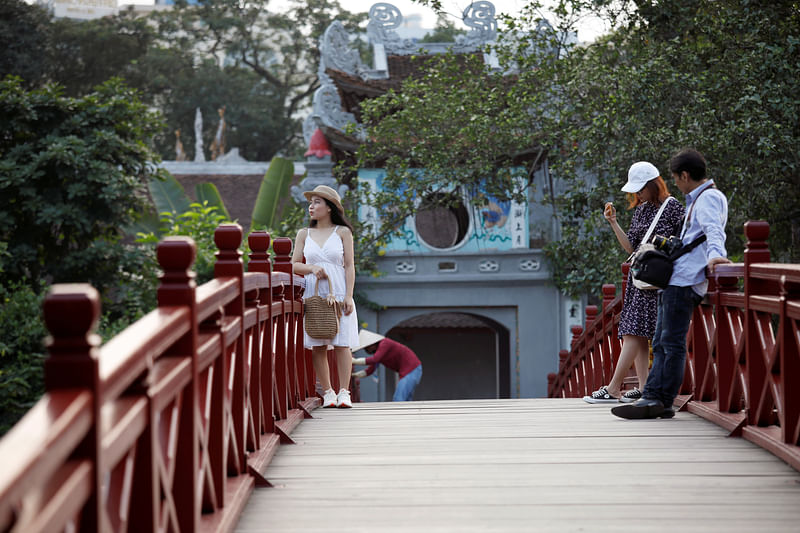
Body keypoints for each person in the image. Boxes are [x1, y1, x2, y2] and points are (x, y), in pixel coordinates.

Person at [613, 149, 730, 419]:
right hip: (677, 278)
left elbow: (714, 230)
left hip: (686, 280)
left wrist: (715, 256)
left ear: (685, 175)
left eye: (677, 178)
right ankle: (657, 399)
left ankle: (657, 398)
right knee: (663, 341)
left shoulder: (708, 198)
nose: (675, 183)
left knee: (670, 343)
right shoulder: (698, 199)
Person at [584, 162, 685, 404]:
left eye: (641, 189)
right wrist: (613, 222)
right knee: (637, 334)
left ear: (653, 185)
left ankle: (613, 388)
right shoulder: (641, 209)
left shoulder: (673, 208)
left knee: (632, 333)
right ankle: (643, 388)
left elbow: (684, 241)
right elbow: (630, 247)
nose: (637, 194)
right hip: (638, 277)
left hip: (656, 280)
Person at [292, 185, 359, 408]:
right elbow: (294, 266)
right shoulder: (304, 234)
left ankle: (344, 392)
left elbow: (349, 266)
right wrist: (311, 268)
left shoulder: (342, 232)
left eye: (317, 202)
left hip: (338, 292)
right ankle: (328, 392)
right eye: (310, 203)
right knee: (318, 343)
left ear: (330, 207)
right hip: (314, 294)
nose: (311, 206)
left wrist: (349, 296)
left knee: (342, 344)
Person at [351, 330, 423, 402]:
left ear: (372, 343)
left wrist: (354, 361)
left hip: (411, 369)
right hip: (411, 370)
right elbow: (371, 370)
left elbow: (375, 359)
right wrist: (355, 375)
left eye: (366, 347)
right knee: (406, 399)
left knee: (398, 398)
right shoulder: (380, 353)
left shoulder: (385, 343)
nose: (366, 350)